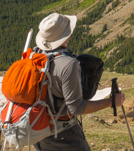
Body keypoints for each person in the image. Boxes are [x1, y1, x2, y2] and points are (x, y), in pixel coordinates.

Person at [33, 13, 124, 151]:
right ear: (66, 36)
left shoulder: (35, 55)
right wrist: (111, 102)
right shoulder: (68, 64)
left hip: (38, 130)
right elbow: (76, 108)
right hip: (62, 133)